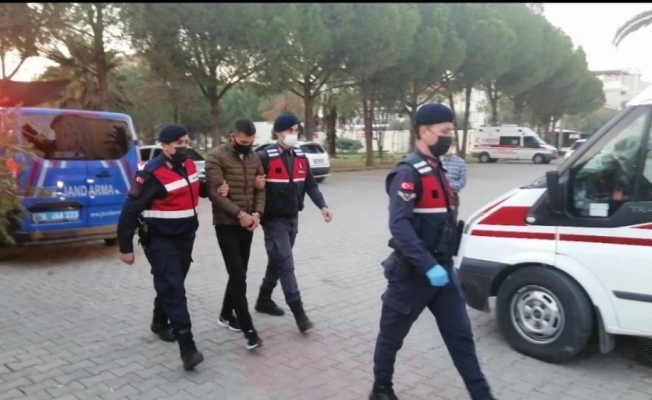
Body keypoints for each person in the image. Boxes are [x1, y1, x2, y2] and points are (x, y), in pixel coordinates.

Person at [369, 104, 496, 400]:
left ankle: (482, 395)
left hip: (443, 274)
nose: (449, 137)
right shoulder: (408, 172)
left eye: (451, 131)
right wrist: (427, 266)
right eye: (444, 131)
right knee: (391, 336)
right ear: (424, 132)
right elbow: (399, 226)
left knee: (461, 338)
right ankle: (381, 389)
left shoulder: (439, 169)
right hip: (413, 275)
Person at [117, 124, 204, 371]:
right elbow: (130, 210)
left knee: (171, 284)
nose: (184, 147)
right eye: (178, 144)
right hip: (160, 240)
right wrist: (125, 247)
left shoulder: (188, 164)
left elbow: (197, 188)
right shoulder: (151, 173)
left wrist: (216, 188)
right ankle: (188, 348)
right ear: (164, 146)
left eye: (186, 142)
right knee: (175, 289)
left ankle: (159, 322)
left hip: (185, 237)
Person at [253, 113, 333, 333]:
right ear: (278, 132)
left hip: (292, 219)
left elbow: (311, 185)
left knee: (278, 260)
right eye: (289, 130)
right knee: (286, 263)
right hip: (272, 220)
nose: (293, 134)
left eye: (296, 130)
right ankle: (300, 314)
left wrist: (323, 206)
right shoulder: (264, 157)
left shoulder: (300, 156)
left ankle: (263, 299)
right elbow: (250, 184)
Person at [205, 119, 266, 350]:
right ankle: (249, 331)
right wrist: (240, 214)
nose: (246, 146)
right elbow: (214, 194)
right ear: (232, 136)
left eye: (250, 142)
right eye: (242, 142)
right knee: (238, 275)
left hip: (248, 223)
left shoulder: (254, 157)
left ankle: (225, 314)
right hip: (226, 223)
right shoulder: (216, 157)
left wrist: (257, 214)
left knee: (239, 272)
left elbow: (261, 189)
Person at [440, 139, 467, 221]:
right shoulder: (436, 161)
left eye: (450, 145)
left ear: (453, 146)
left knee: (452, 220)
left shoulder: (460, 162)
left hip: (453, 196)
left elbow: (462, 181)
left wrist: (448, 185)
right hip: (439, 196)